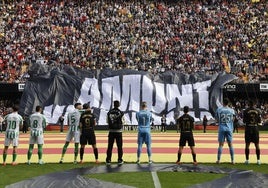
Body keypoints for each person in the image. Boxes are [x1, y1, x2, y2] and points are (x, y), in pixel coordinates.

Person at [215, 98, 235, 164]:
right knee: (230, 145)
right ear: (228, 103)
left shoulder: (219, 109)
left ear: (223, 102)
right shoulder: (231, 110)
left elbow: (217, 119)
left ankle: (218, 160)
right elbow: (233, 119)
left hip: (221, 128)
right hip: (229, 128)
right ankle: (232, 160)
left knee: (220, 145)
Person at [106, 100, 125, 165]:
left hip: (111, 131)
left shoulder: (109, 112)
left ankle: (108, 160)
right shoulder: (121, 112)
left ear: (113, 104)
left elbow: (107, 121)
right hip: (118, 131)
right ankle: (120, 160)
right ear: (119, 105)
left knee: (110, 146)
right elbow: (123, 122)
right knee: (119, 146)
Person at [243, 100, 262, 165]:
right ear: (254, 104)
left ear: (248, 104)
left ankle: (247, 160)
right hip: (255, 128)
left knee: (247, 144)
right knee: (257, 144)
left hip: (248, 128)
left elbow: (244, 121)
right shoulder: (258, 111)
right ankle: (258, 160)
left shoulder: (245, 111)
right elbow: (259, 121)